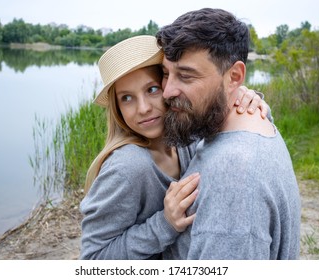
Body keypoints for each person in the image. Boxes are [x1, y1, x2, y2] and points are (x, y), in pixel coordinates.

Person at [79, 35, 268, 260]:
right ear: (117, 108)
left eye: (151, 90)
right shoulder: (128, 168)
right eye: (127, 98)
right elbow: (92, 259)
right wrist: (164, 224)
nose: (143, 108)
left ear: (169, 86)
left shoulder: (184, 137)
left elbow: (224, 117)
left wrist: (247, 98)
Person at [156, 8, 301, 260]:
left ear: (234, 77)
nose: (167, 91)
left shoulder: (236, 176)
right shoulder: (235, 123)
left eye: (186, 76)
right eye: (165, 74)